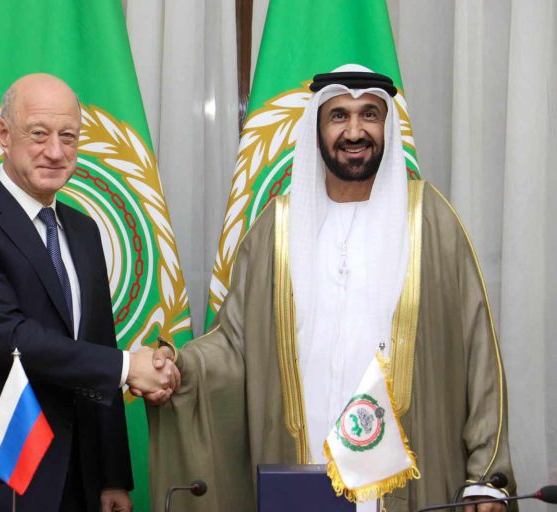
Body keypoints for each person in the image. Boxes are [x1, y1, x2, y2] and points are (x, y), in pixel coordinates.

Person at [142, 65, 516, 512]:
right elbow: (234, 346)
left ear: (387, 126)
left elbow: (479, 354)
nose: (354, 132)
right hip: (302, 474)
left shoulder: (430, 222)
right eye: (339, 115)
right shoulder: (278, 230)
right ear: (317, 129)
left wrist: (485, 475)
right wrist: (180, 368)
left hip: (402, 479)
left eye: (369, 115)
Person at [0, 73, 178, 512]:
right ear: (4, 135)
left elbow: (97, 343)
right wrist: (127, 367)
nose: (56, 152)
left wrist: (112, 477)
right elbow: (10, 338)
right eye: (39, 134)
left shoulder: (83, 230)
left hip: (78, 477)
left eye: (68, 136)